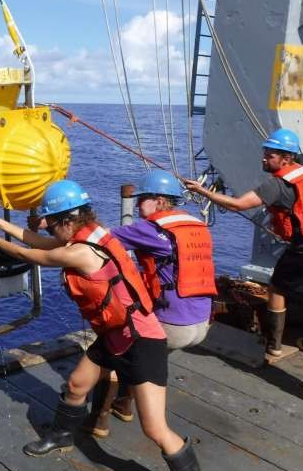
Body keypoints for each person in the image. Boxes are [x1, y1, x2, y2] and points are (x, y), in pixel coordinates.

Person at [0, 179, 208, 471]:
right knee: (76, 384)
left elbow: (32, 254)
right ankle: (61, 435)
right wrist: (0, 222)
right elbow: (42, 241)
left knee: (155, 428)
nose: (50, 229)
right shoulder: (93, 233)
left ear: (66, 221)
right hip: (113, 334)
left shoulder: (82, 252)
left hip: (140, 341)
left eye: (52, 223)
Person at [82, 169, 217, 438]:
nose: (138, 206)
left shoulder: (151, 228)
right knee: (143, 357)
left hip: (173, 325)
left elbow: (99, 240)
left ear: (157, 200)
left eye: (142, 199)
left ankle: (99, 421)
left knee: (115, 350)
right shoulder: (196, 225)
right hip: (201, 324)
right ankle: (124, 404)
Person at [183, 128, 303, 362]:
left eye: (270, 154)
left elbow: (238, 205)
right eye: (265, 152)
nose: (264, 158)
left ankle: (273, 347)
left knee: (276, 289)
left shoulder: (274, 185)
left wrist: (201, 190)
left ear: (286, 158)